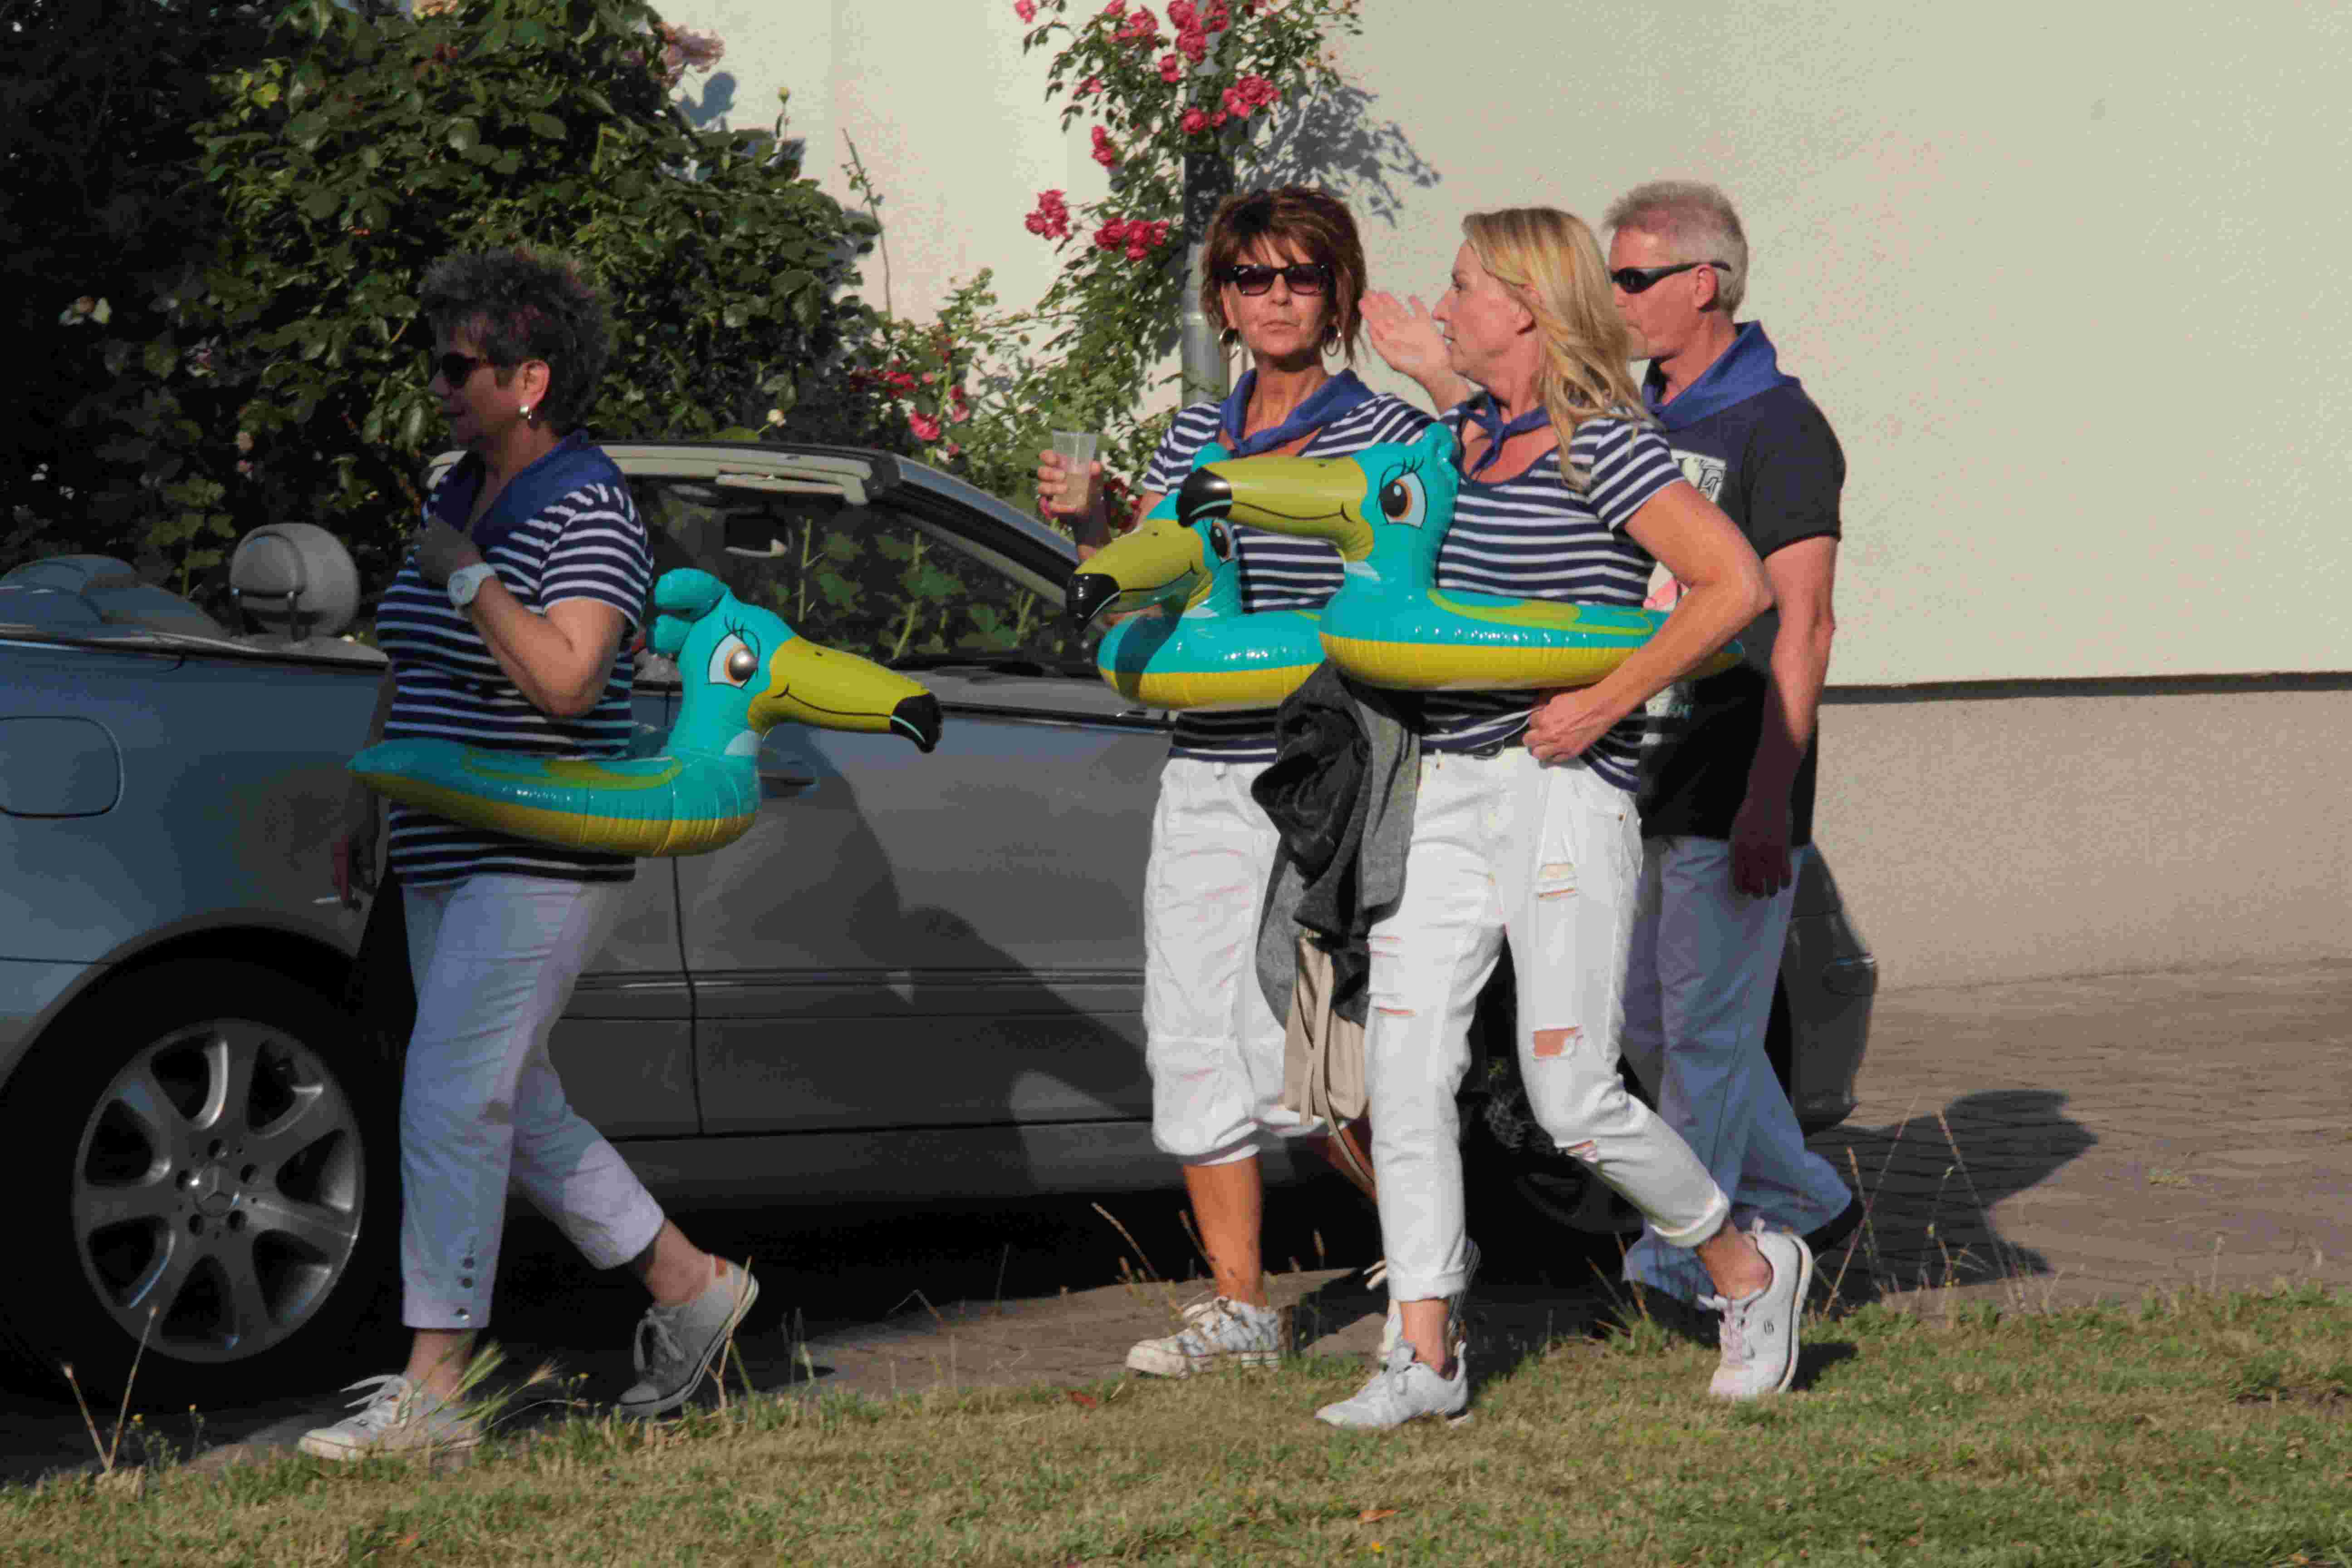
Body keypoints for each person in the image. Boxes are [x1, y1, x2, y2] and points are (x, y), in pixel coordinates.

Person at [1325, 206, 1810, 1428]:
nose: (1445, 304)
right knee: (1403, 1067)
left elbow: (1735, 585)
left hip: (1564, 790)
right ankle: (1426, 1352)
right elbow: (1466, 421)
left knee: (1573, 1098)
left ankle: (1749, 1270)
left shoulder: (1607, 447)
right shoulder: (1471, 437)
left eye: (1462, 287)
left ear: (1527, 306)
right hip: (1452, 780)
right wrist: (1428, 371)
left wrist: (1604, 700)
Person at [308, 250, 756, 1460]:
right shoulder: (458, 488)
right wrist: (367, 789)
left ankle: (439, 1392)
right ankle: (693, 1289)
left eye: (461, 366)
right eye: (440, 362)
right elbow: (410, 655)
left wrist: (469, 579)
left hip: (538, 850)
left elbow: (569, 679)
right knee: (519, 1101)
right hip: (443, 842)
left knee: (454, 1095)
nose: (440, 385)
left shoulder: (587, 506)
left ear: (530, 380)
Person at [1037, 186, 1429, 1378]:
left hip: (1322, 768)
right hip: (1205, 769)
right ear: (1223, 298)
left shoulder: (1386, 433)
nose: (1277, 299)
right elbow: (1159, 589)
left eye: (1302, 277)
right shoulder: (1191, 439)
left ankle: (1441, 1262)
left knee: (1314, 1048)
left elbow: (1403, 594)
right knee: (1191, 1033)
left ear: (1339, 294)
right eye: (1253, 278)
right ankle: (1241, 1310)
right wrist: (1096, 532)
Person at [1601, 181, 1859, 1308]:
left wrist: (1771, 799)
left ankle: (1681, 1266)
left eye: (1633, 279)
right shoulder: (1634, 418)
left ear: (1703, 283)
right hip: (1635, 769)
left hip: (1729, 772)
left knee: (1703, 1035)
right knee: (1648, 1026)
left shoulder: (1779, 425)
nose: (1615, 300)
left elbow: (1806, 624)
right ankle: (1805, 1198)